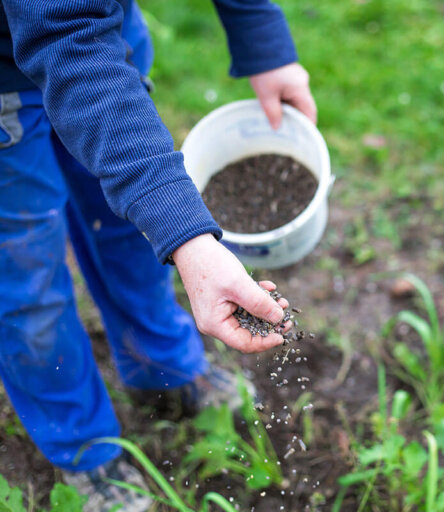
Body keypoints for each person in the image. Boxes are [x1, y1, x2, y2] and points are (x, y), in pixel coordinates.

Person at [0, 0, 316, 509]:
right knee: (25, 275)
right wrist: (188, 237)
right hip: (15, 80)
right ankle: (82, 446)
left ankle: (160, 365)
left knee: (129, 228)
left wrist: (260, 36)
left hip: (105, 33)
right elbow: (67, 37)